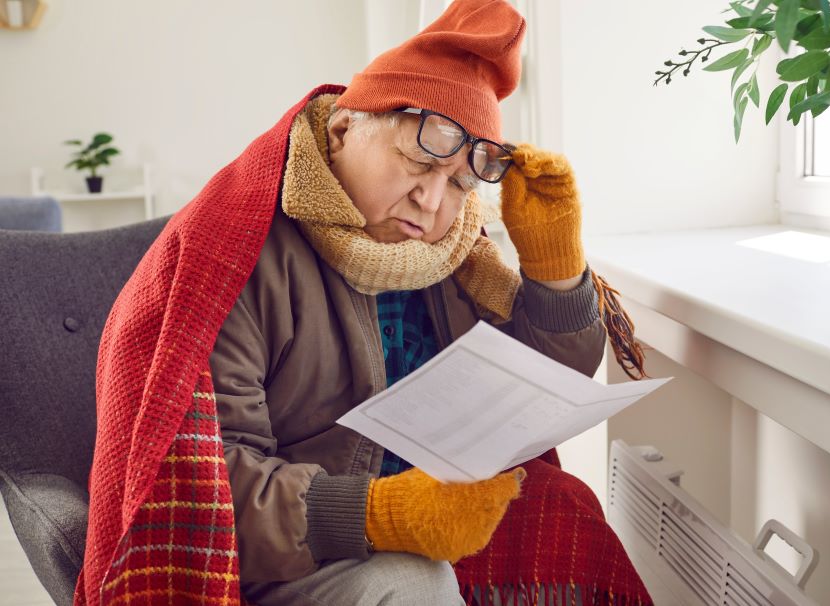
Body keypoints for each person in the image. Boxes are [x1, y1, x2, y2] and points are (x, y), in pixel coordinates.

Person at [76, 1, 648, 604]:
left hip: (417, 516)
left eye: (457, 182)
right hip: (285, 558)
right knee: (410, 585)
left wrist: (555, 269)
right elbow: (204, 486)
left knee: (567, 512)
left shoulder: (453, 255)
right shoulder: (233, 259)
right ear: (344, 128)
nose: (432, 201)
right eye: (418, 162)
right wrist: (376, 514)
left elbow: (548, 387)